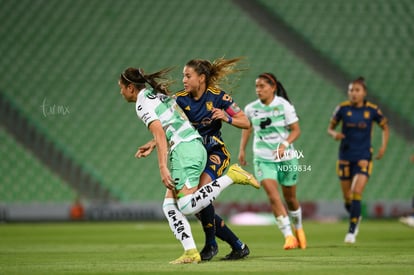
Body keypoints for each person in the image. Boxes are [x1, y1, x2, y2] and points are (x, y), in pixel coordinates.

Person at [118, 66, 259, 264]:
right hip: (188, 147)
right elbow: (172, 124)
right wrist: (152, 145)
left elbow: (160, 131)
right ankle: (196, 250)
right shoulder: (172, 97)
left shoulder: (218, 97)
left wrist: (162, 167)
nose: (184, 79)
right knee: (172, 205)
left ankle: (232, 177)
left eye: (188, 75)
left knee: (188, 204)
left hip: (204, 150)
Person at [238, 72, 307, 250]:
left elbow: (296, 130)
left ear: (273, 87)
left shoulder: (284, 106)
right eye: (256, 86)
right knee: (273, 197)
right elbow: (247, 128)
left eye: (262, 86)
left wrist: (284, 144)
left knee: (290, 198)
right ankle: (288, 236)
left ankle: (299, 229)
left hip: (286, 158)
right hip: (263, 158)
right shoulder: (251, 108)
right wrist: (242, 150)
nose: (258, 90)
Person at [327, 76, 389, 243]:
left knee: (356, 191)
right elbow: (330, 128)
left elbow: (385, 127)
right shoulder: (342, 109)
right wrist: (335, 134)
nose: (353, 93)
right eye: (351, 90)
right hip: (345, 157)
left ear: (364, 93)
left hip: (363, 157)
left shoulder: (373, 110)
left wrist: (382, 147)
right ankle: (356, 214)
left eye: (357, 90)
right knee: (348, 198)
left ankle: (351, 231)